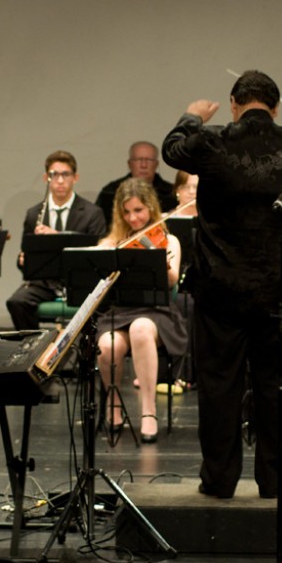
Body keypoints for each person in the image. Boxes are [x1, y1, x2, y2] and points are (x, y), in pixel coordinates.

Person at [162, 69, 282, 499]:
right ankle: (274, 481)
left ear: (233, 104)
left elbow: (172, 152)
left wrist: (190, 117)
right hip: (279, 291)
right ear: (277, 106)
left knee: (220, 387)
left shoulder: (214, 140)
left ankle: (220, 481)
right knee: (278, 389)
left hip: (220, 290)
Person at [95, 178, 187, 444]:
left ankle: (148, 410)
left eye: (138, 210)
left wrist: (151, 250)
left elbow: (172, 280)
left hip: (158, 312)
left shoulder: (168, 240)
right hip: (120, 311)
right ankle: (113, 404)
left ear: (151, 209)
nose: (133, 218)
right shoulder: (112, 241)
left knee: (141, 328)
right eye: (127, 212)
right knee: (108, 344)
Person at [5, 150, 106, 330]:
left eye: (65, 174)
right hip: (46, 284)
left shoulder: (92, 213)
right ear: (46, 178)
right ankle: (35, 349)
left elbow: (99, 254)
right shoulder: (34, 214)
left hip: (79, 282)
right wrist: (23, 260)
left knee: (99, 306)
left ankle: (85, 354)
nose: (60, 180)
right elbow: (27, 260)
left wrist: (58, 237)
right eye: (54, 174)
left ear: (75, 177)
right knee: (16, 302)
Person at [96, 142, 177, 223]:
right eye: (138, 159)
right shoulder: (111, 191)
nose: (143, 165)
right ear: (129, 164)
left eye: (149, 160)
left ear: (156, 164)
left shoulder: (171, 193)